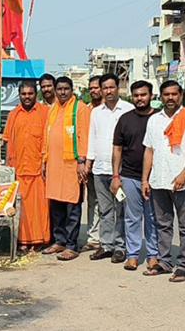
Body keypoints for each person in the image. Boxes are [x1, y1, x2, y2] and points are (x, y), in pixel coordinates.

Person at [141, 80, 185, 283]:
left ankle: (183, 265)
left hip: (181, 182)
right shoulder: (154, 120)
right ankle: (164, 262)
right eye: (166, 94)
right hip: (158, 181)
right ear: (161, 96)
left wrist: (184, 174)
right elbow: (149, 150)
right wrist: (145, 180)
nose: (170, 98)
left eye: (174, 94)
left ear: (180, 95)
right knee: (162, 224)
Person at [111, 80, 159, 271]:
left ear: (151, 96)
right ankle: (132, 255)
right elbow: (117, 149)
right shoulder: (125, 119)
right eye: (136, 95)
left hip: (155, 178)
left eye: (143, 95)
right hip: (129, 175)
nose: (140, 98)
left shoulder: (159, 118)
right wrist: (116, 176)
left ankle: (153, 255)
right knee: (132, 217)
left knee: (153, 217)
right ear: (132, 96)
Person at [42, 76, 90, 261]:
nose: (62, 92)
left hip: (72, 166)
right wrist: (44, 160)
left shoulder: (80, 108)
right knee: (56, 205)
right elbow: (47, 136)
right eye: (59, 89)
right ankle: (59, 240)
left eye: (66, 89)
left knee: (72, 206)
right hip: (54, 165)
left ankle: (71, 245)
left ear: (72, 90)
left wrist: (82, 162)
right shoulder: (53, 108)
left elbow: (83, 136)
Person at [87, 73, 133, 263]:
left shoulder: (128, 110)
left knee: (121, 209)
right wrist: (89, 162)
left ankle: (121, 247)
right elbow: (92, 137)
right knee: (105, 210)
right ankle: (106, 245)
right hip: (100, 171)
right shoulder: (96, 112)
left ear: (118, 88)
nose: (108, 91)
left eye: (111, 87)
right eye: (104, 88)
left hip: (120, 173)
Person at [3, 81, 50, 251]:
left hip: (39, 170)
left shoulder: (45, 112)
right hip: (19, 169)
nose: (27, 97)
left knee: (39, 209)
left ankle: (39, 240)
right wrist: (8, 164)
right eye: (24, 94)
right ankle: (22, 240)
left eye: (30, 94)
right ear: (19, 95)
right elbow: (8, 140)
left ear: (35, 94)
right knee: (20, 207)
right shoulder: (14, 114)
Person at [82, 75, 103, 253]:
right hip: (90, 163)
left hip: (109, 164)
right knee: (92, 201)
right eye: (91, 88)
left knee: (113, 201)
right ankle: (94, 237)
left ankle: (111, 238)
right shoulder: (86, 110)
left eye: (96, 87)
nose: (93, 91)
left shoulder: (111, 110)